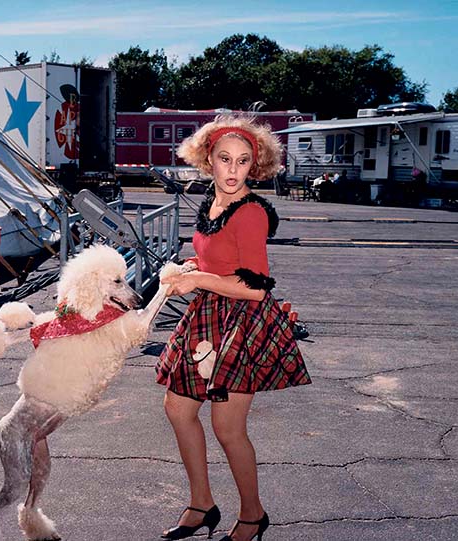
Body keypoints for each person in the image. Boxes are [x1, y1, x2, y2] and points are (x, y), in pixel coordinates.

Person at [156, 116, 311, 541]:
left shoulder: (252, 213)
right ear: (208, 158)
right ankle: (202, 504)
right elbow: (215, 260)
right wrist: (189, 268)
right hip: (208, 316)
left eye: (243, 162)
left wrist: (199, 280)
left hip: (241, 323)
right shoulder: (212, 200)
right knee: (178, 408)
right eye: (224, 159)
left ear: (254, 165)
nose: (232, 170)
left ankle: (252, 514)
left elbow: (257, 288)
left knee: (227, 428)